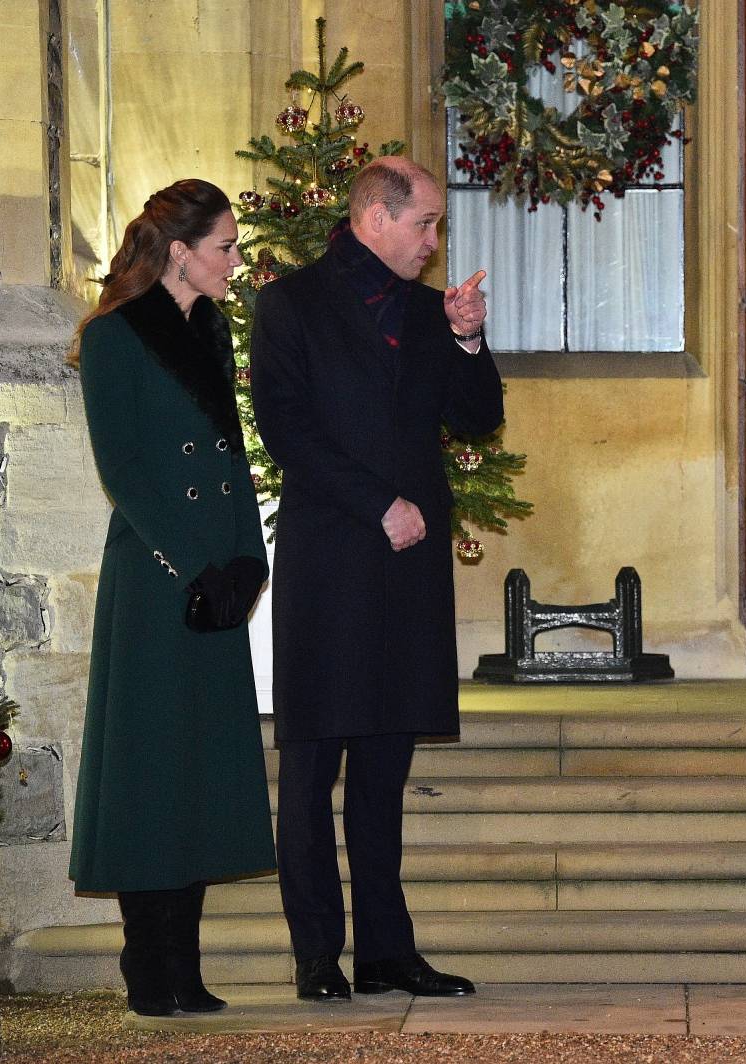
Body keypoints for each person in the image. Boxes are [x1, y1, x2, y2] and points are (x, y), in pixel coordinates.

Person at [249, 157, 503, 1002]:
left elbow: (478, 418)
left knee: (386, 770)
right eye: (425, 224)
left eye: (434, 227)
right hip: (332, 561)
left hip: (408, 568)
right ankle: (317, 953)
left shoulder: (435, 313)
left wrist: (468, 338)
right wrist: (376, 502)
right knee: (315, 766)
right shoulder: (291, 304)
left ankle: (387, 951)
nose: (435, 243)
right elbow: (286, 428)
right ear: (375, 218)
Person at [68, 179, 276, 1017]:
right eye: (225, 247)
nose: (235, 262)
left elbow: (229, 456)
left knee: (198, 769)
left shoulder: (211, 330)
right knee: (150, 769)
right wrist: (198, 566)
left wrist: (249, 562)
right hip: (158, 579)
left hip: (215, 577)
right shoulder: (114, 336)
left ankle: (186, 967)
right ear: (181, 251)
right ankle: (146, 961)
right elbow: (127, 474)